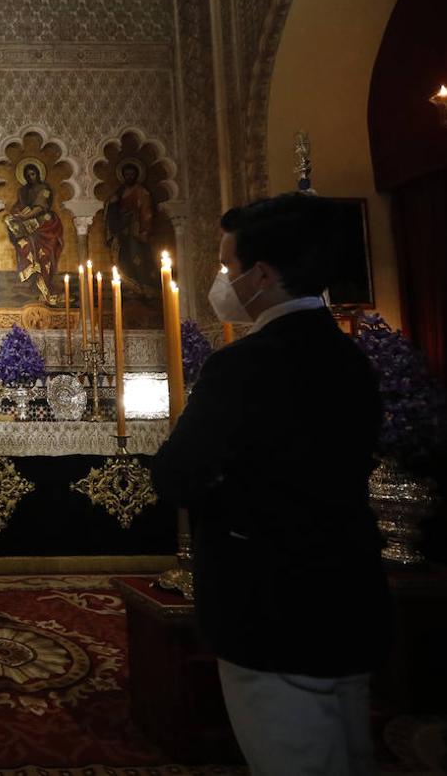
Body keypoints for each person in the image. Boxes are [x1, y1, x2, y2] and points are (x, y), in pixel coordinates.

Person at [150, 193, 390, 775]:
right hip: (348, 594)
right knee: (348, 752)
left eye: (229, 267)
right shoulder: (352, 357)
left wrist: (225, 491)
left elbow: (177, 472)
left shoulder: (242, 366)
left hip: (269, 606)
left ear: (261, 275)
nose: (225, 281)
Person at [4, 162, 63, 305]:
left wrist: (26, 216)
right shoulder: (23, 191)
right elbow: (18, 206)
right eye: (27, 175)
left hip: (46, 225)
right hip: (28, 225)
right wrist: (18, 214)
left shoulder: (44, 189)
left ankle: (47, 287)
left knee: (46, 255)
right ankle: (33, 283)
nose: (30, 177)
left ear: (38, 174)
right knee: (26, 247)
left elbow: (41, 206)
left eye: (33, 174)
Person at [104, 161, 158, 294]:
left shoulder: (141, 191)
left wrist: (140, 224)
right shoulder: (121, 191)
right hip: (123, 230)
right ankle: (130, 286)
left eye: (131, 174)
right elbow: (112, 207)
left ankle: (144, 286)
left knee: (137, 256)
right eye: (127, 174)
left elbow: (147, 211)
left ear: (136, 175)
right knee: (123, 258)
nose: (129, 177)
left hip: (136, 229)